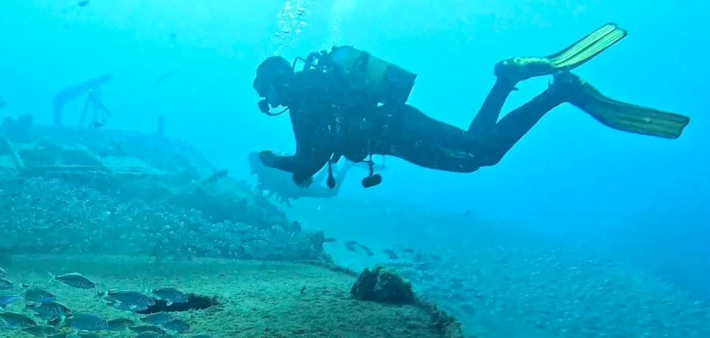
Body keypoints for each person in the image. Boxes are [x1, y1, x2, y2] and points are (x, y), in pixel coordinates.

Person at [253, 24, 690, 189]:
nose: (268, 102)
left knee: (480, 156)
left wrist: (275, 162)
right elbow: (319, 153)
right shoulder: (317, 86)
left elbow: (308, 163)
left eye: (266, 93)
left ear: (276, 83)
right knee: (474, 148)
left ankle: (558, 91)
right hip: (403, 126)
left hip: (401, 135)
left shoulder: (303, 103)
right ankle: (507, 79)